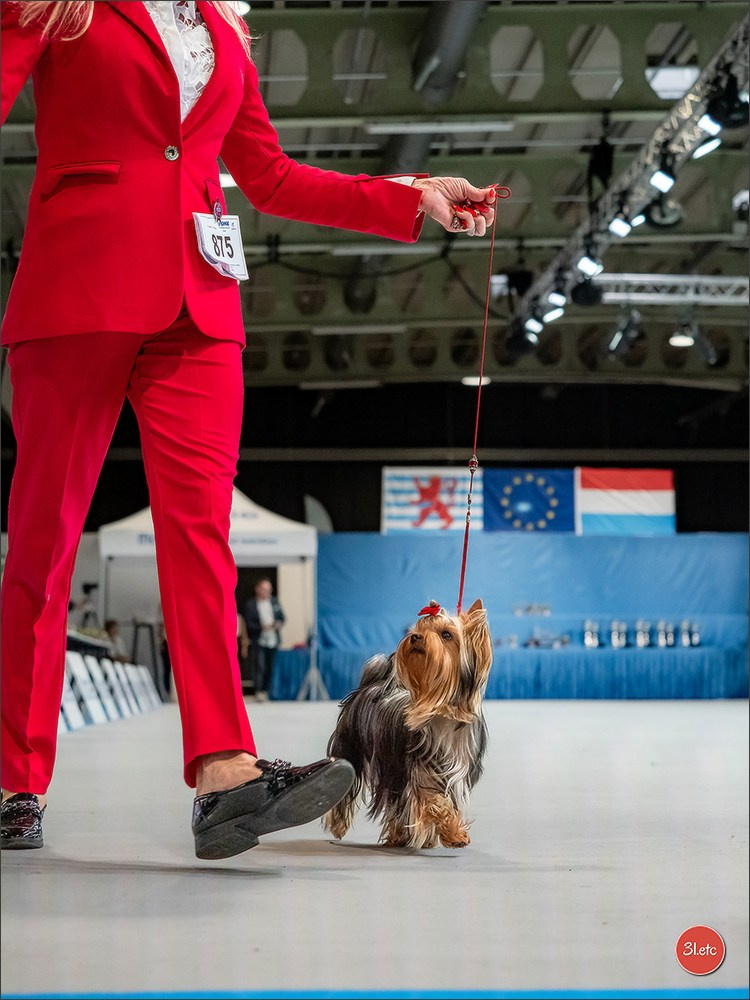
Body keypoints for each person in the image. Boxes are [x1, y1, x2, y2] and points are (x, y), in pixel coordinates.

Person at [0, 0, 497, 858]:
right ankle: (15, 781)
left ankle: (223, 775)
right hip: (78, 287)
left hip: (201, 308)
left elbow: (268, 176)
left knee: (201, 536)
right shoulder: (58, 4)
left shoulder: (222, 28)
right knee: (43, 547)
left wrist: (410, 198)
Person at [244, 578, 285, 702]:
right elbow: (248, 623)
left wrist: (277, 624)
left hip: (272, 639)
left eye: (268, 590)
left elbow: (282, 617)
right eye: (264, 589)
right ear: (258, 589)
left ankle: (267, 691)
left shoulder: (274, 602)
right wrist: (261, 627)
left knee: (270, 666)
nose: (266, 592)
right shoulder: (251, 604)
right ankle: (258, 690)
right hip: (259, 639)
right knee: (259, 666)